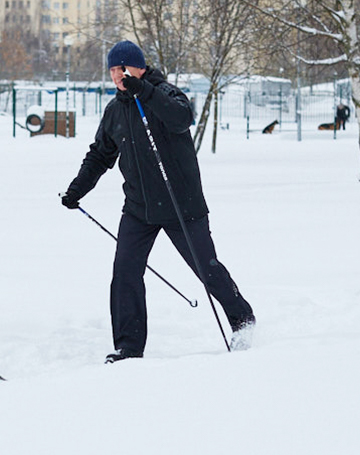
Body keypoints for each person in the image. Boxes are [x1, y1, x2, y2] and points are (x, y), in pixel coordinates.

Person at [60, 40, 255, 363]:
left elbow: (181, 118)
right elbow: (100, 155)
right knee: (125, 272)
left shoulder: (165, 94)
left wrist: (145, 92)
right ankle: (129, 347)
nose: (118, 75)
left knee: (207, 270)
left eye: (123, 68)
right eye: (112, 70)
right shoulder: (115, 111)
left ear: (139, 68)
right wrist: (77, 190)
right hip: (139, 209)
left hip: (183, 206)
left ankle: (243, 322)